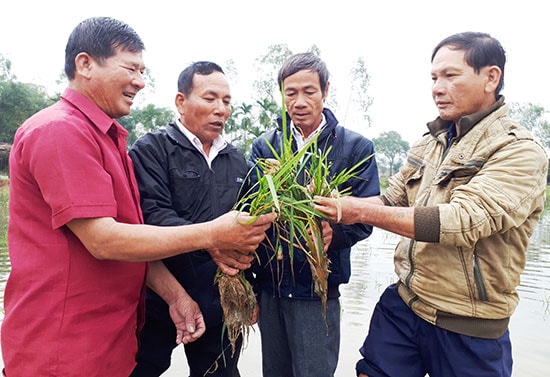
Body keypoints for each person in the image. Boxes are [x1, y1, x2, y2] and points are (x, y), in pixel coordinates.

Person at [1, 17, 275, 377]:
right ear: (85, 65)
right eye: (130, 68)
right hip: (64, 343)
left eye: (142, 70)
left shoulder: (110, 139)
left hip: (113, 336)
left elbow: (129, 231)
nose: (140, 82)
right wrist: (213, 235)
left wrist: (176, 297)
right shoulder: (60, 131)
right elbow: (103, 239)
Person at [314, 32, 549, 377]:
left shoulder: (519, 151)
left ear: (491, 77)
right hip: (407, 302)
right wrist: (332, 205)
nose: (437, 88)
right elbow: (392, 198)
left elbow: (462, 221)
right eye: (434, 78)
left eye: (451, 76)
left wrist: (357, 211)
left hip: (470, 324)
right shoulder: (430, 143)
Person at [249, 52, 380, 377]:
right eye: (290, 93)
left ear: (325, 91)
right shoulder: (264, 147)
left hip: (318, 291)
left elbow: (367, 217)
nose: (299, 101)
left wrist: (334, 234)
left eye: (309, 91)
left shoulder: (355, 147)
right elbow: (248, 210)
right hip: (272, 288)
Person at [128, 61, 248, 377]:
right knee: (142, 367)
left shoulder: (237, 162)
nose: (220, 109)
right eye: (210, 98)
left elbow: (251, 225)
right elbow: (152, 216)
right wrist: (214, 240)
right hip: (158, 296)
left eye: (226, 101)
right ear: (181, 101)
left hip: (218, 299)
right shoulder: (152, 149)